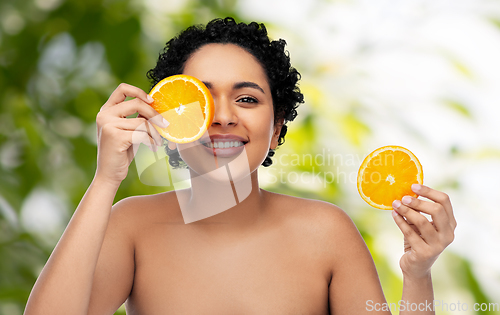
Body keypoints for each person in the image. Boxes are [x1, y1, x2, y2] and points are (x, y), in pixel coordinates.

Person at [24, 17, 456, 314]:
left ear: (276, 128)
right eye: (201, 100)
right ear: (169, 121)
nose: (224, 116)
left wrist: (417, 275)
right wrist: (106, 180)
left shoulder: (327, 232)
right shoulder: (133, 227)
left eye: (247, 98)